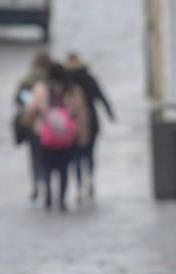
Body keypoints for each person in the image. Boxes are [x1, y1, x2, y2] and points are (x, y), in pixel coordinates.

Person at [21, 63, 90, 211]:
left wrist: (30, 123)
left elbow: (30, 110)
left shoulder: (41, 89)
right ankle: (62, 200)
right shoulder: (72, 90)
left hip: (44, 135)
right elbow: (81, 112)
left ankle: (48, 197)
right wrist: (82, 135)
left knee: (46, 167)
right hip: (67, 136)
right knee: (64, 169)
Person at [65, 52, 114, 202]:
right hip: (91, 120)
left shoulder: (67, 83)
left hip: (72, 122)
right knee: (89, 153)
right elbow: (101, 96)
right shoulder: (89, 79)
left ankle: (79, 188)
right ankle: (90, 178)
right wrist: (110, 113)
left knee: (76, 156)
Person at [13, 49, 51, 202]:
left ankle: (36, 183)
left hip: (29, 121)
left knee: (34, 156)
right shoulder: (50, 78)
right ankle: (45, 183)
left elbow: (17, 98)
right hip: (47, 122)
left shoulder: (28, 78)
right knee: (46, 155)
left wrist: (29, 104)